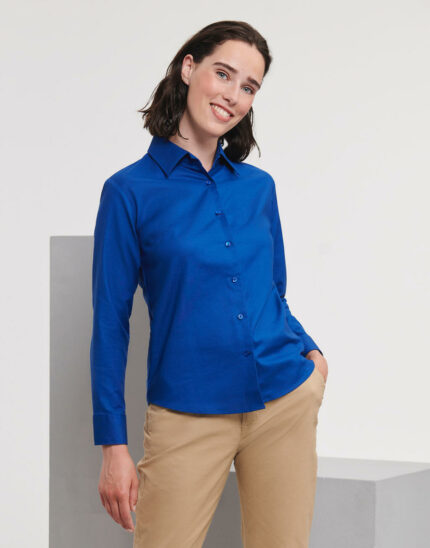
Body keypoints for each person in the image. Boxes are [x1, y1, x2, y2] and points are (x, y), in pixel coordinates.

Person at [90, 19, 329, 548]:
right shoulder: (129, 192)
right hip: (187, 411)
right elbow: (110, 322)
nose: (233, 95)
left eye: (249, 87)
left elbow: (272, 292)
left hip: (282, 400)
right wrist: (113, 446)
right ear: (188, 67)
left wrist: (312, 356)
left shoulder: (258, 188)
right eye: (224, 74)